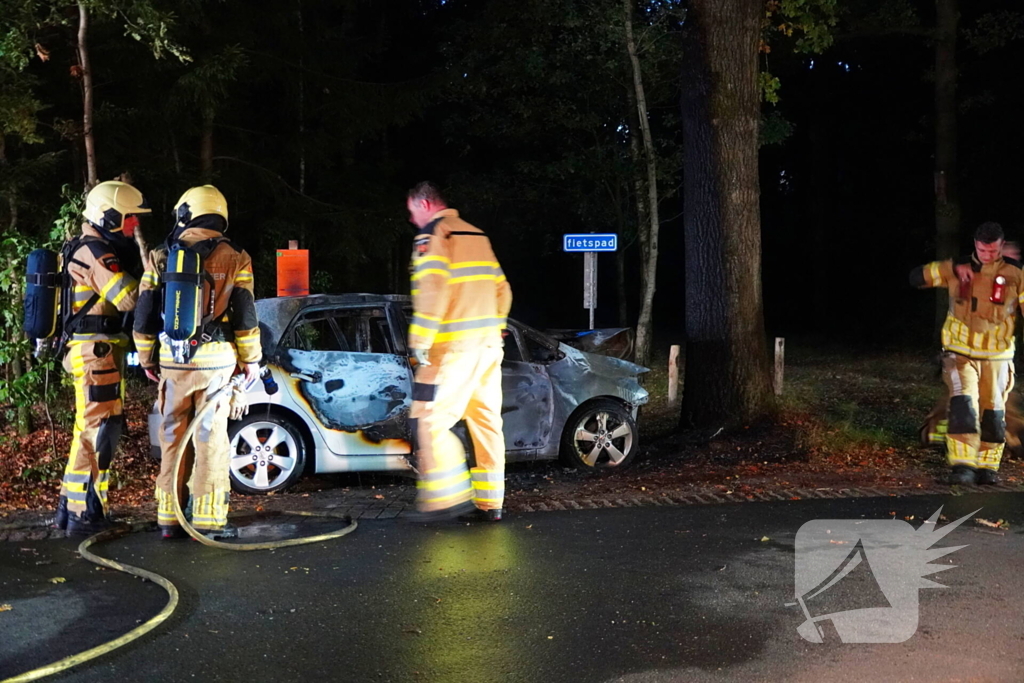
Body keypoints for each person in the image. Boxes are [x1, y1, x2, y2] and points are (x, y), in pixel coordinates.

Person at [133, 185, 261, 539]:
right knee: (210, 437)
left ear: (184, 213)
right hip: (215, 363)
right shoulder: (236, 256)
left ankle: (168, 517)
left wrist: (146, 357)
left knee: (172, 434)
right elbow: (245, 315)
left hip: (173, 362)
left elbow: (144, 313)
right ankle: (207, 518)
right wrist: (251, 360)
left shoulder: (160, 254)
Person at [405, 181, 512, 522]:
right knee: (486, 424)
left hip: (450, 349)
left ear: (424, 205)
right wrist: (496, 326)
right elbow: (502, 288)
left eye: (411, 212)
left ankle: (449, 496)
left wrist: (420, 342)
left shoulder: (435, 235)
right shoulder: (476, 235)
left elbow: (432, 290)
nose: (411, 220)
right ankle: (491, 504)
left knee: (429, 419)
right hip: (488, 349)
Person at [54, 180, 150, 536]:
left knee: (95, 429)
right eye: (128, 219)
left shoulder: (88, 246)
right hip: (97, 352)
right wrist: (154, 277)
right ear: (107, 216)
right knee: (97, 432)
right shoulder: (95, 250)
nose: (133, 226)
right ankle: (83, 513)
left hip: (98, 350)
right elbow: (125, 297)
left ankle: (75, 506)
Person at [910, 222, 1023, 484]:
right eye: (983, 250)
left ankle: (987, 466)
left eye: (993, 251)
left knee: (993, 412)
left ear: (1001, 247)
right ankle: (963, 465)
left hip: (998, 356)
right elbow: (916, 277)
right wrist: (950, 268)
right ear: (976, 245)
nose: (987, 255)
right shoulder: (957, 268)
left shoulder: (1016, 273)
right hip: (959, 353)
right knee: (964, 406)